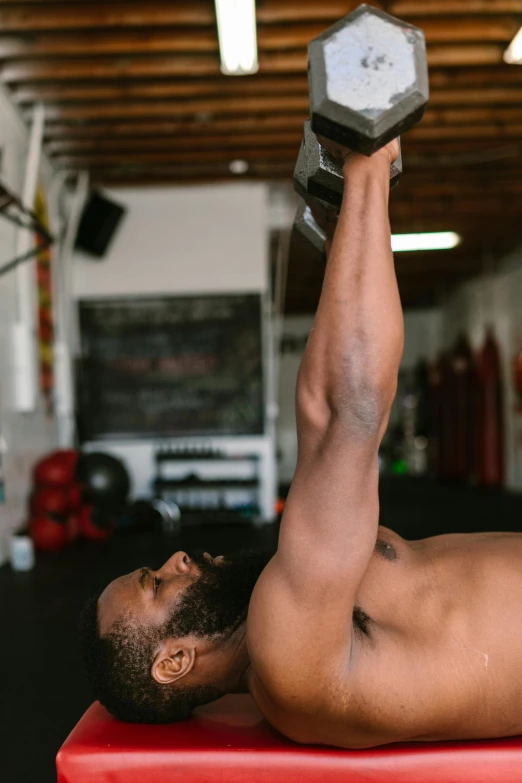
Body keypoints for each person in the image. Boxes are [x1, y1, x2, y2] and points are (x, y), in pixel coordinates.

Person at [80, 139, 522, 748]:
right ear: (174, 662)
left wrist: (349, 224)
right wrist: (369, 158)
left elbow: (327, 413)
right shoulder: (288, 656)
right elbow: (350, 412)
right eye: (156, 584)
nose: (175, 559)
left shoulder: (288, 615)